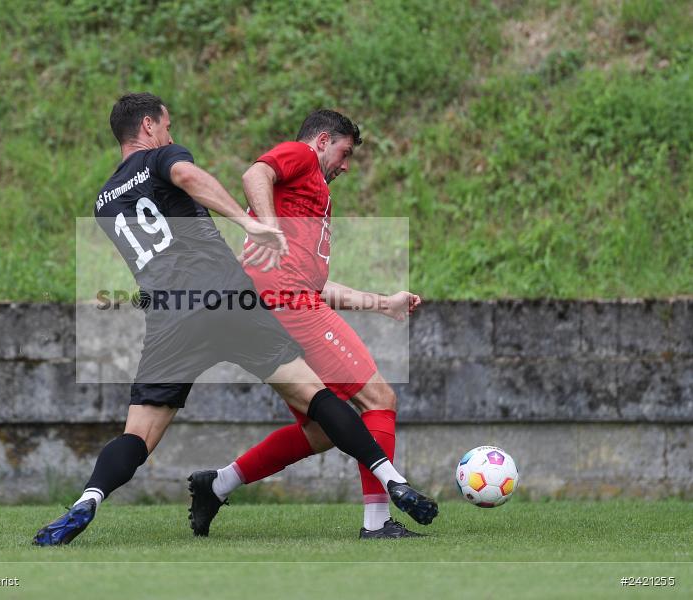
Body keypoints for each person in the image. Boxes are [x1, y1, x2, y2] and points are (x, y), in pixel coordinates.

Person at [33, 94, 436, 545]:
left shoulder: (104, 201)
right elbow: (193, 174)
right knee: (319, 397)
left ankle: (89, 498)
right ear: (148, 126)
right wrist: (252, 224)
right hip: (228, 300)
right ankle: (390, 485)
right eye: (167, 126)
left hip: (169, 320)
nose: (171, 134)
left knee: (139, 436)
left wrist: (378, 301)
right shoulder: (164, 156)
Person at [188, 110, 434, 540]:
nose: (346, 164)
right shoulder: (302, 156)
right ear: (322, 140)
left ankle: (219, 483)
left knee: (320, 431)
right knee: (379, 397)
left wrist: (382, 303)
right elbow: (255, 173)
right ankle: (377, 523)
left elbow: (316, 283)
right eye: (345, 152)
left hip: (275, 308)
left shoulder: (308, 197)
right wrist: (266, 225)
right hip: (289, 306)